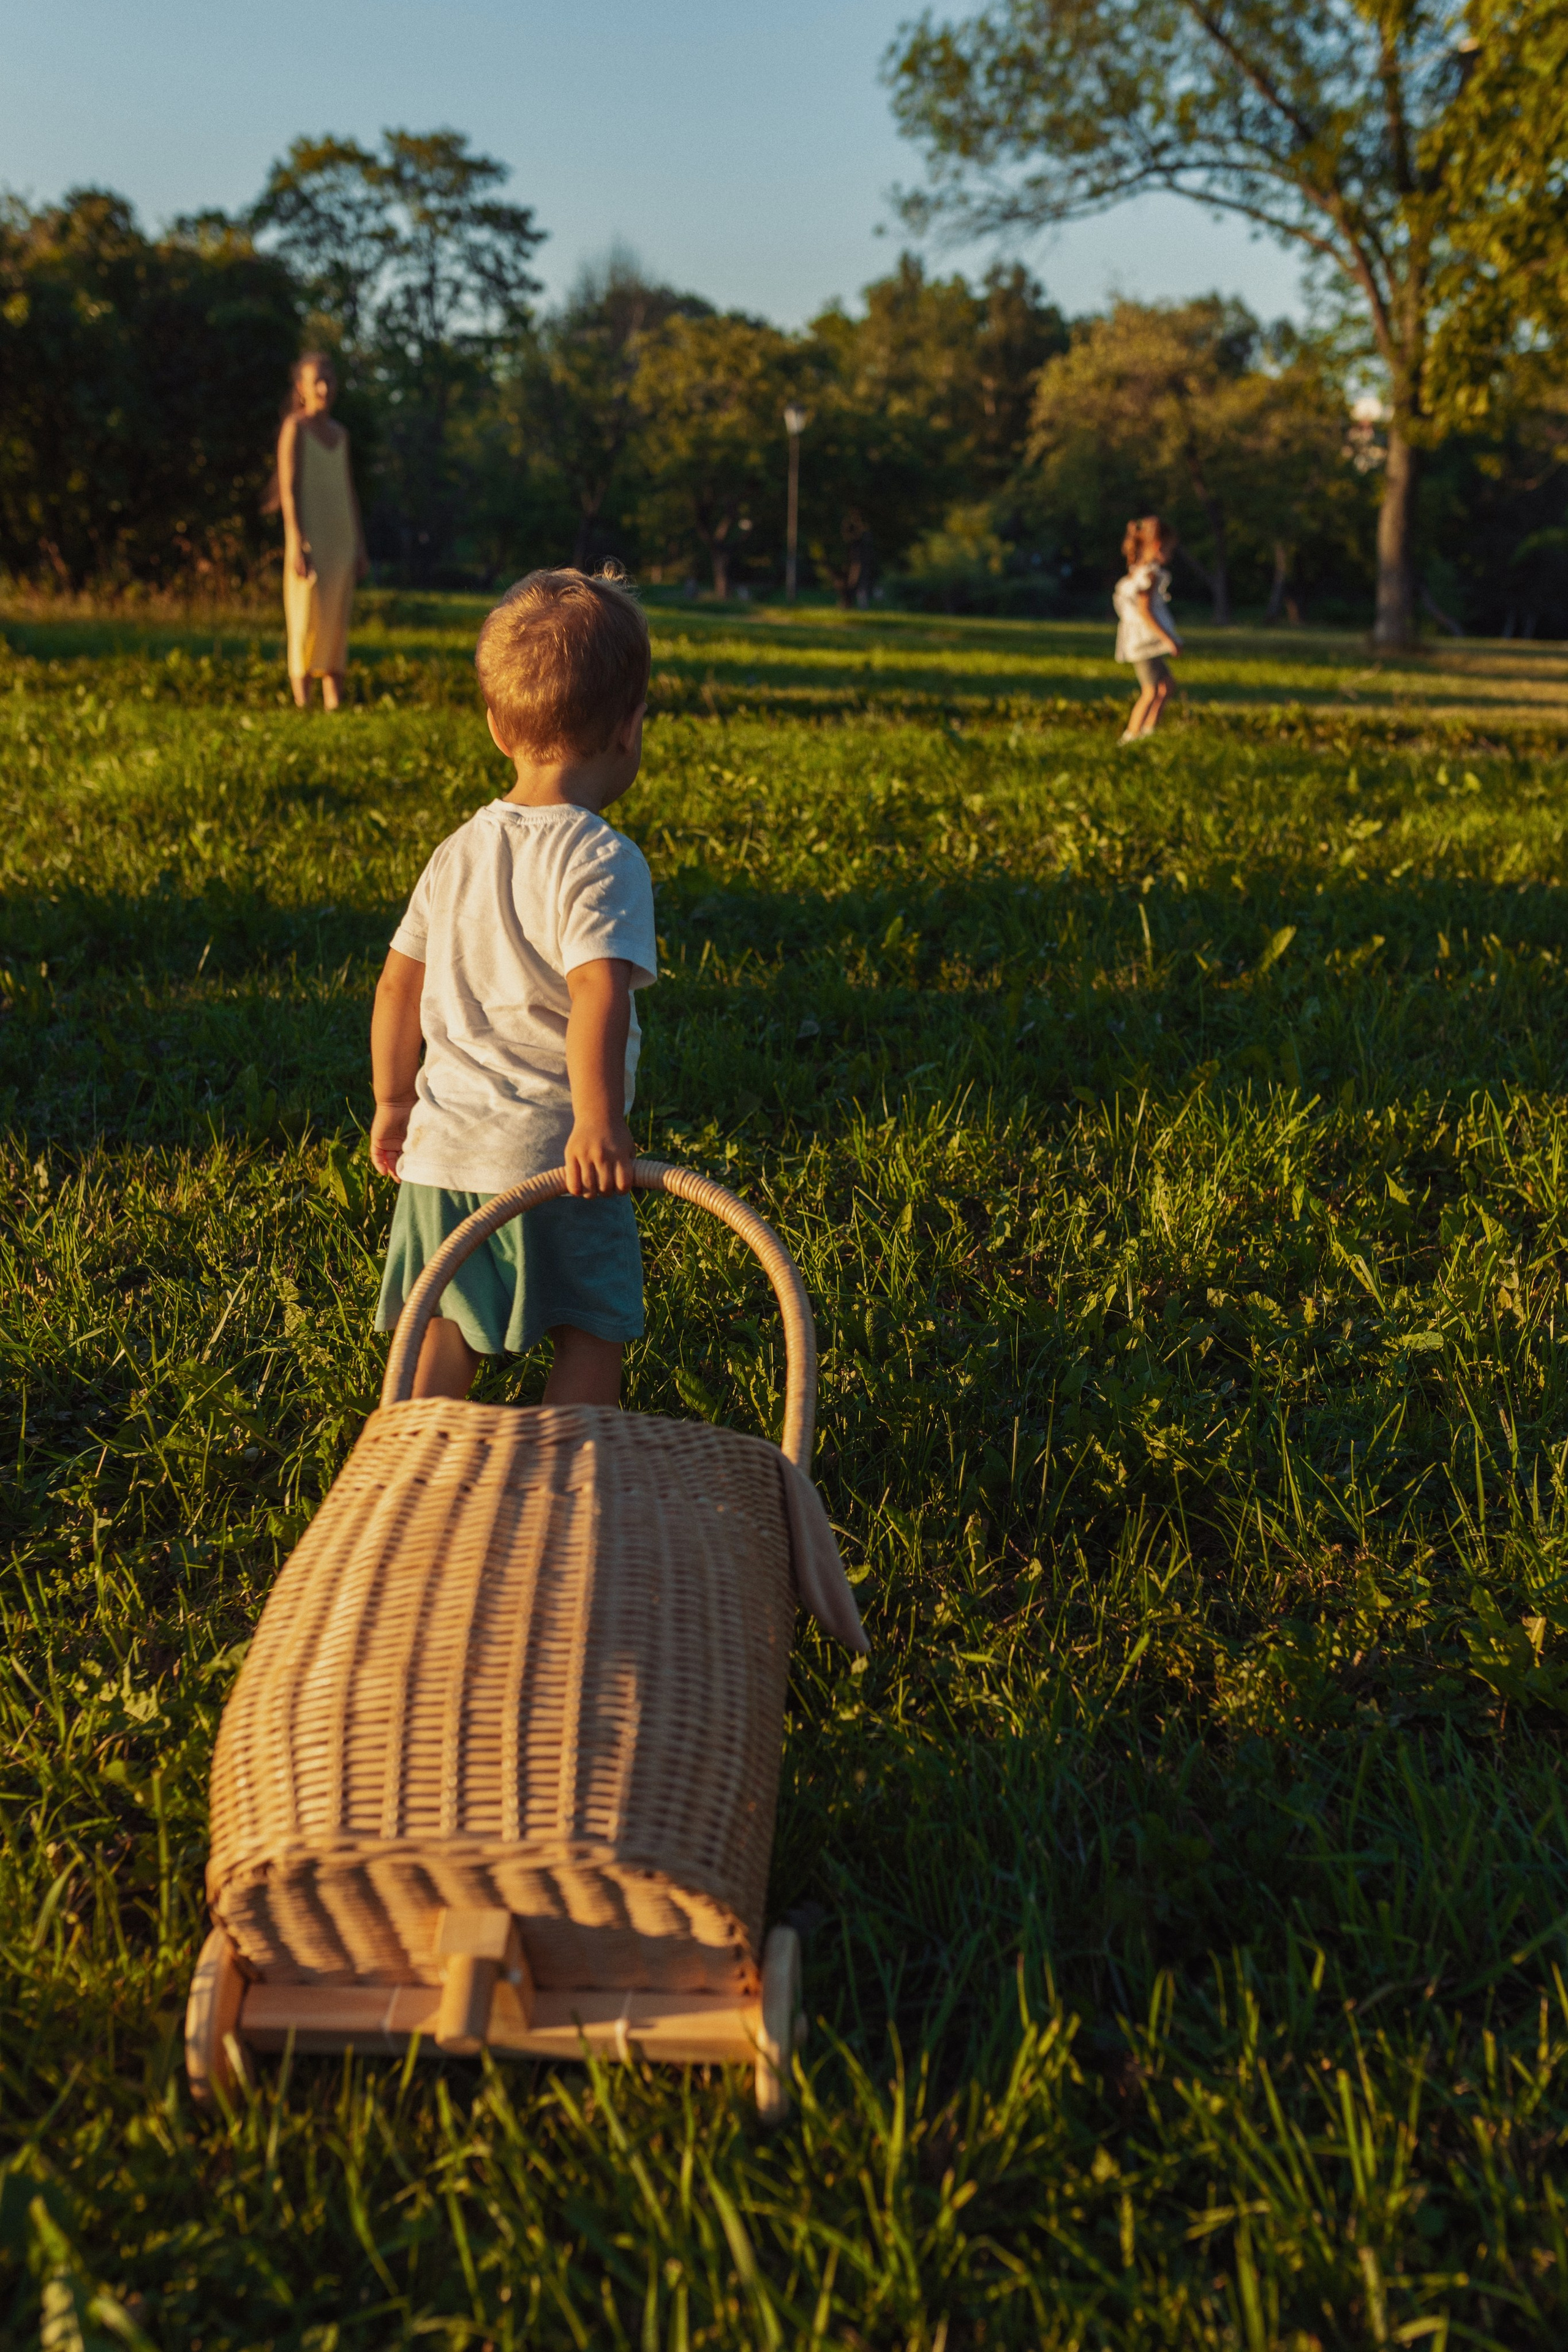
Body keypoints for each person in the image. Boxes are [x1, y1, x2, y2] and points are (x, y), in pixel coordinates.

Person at [369, 567, 657, 1406]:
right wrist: (600, 1123)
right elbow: (599, 990)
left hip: (440, 1153)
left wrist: (394, 1106)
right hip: (554, 1155)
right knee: (594, 1324)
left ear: (497, 727)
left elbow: (397, 986)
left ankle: (423, 1477)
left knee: (446, 1329)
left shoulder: (456, 850)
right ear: (630, 729)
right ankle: (569, 1482)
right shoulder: (603, 858)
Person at [276, 352, 368, 710]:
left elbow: (348, 490)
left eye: (329, 380)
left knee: (336, 615)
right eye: (317, 381)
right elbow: (288, 489)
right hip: (309, 536)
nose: (325, 388)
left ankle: (334, 701)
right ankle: (303, 703)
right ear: (302, 387)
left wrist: (360, 545)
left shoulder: (341, 434)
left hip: (341, 537)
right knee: (304, 614)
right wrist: (297, 541)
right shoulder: (294, 429)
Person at [1112, 516, 1182, 744]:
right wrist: (1168, 639)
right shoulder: (1148, 575)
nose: (1170, 557)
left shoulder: (1138, 571)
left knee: (1166, 686)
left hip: (1144, 642)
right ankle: (1131, 737)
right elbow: (1145, 612)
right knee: (1150, 691)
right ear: (1158, 547)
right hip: (1143, 644)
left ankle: (1149, 731)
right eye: (1170, 551)